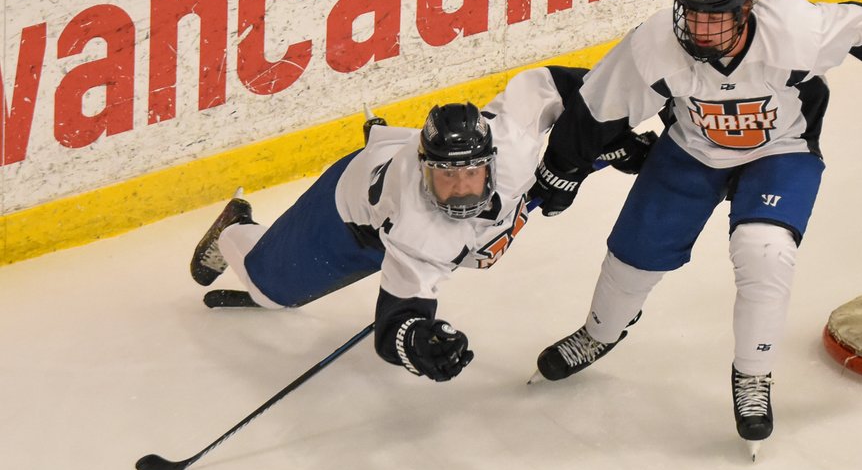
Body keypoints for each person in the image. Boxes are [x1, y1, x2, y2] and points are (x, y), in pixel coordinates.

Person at [526, 0, 862, 453]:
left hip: (782, 149)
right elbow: (598, 106)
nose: (697, 29)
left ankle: (753, 376)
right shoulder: (655, 45)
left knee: (765, 251)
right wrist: (561, 170)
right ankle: (600, 332)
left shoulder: (793, 31)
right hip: (691, 148)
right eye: (691, 13)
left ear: (746, 9)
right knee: (632, 256)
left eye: (714, 18)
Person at [188, 66, 653, 382]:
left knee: (561, 164)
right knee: (270, 290)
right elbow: (394, 328)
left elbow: (559, 86)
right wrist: (420, 344)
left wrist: (610, 138)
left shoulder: (511, 142)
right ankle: (236, 228)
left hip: (403, 163)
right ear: (426, 171)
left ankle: (383, 137)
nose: (458, 191)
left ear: (490, 162)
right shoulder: (420, 229)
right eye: (445, 177)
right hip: (352, 221)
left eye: (470, 174)